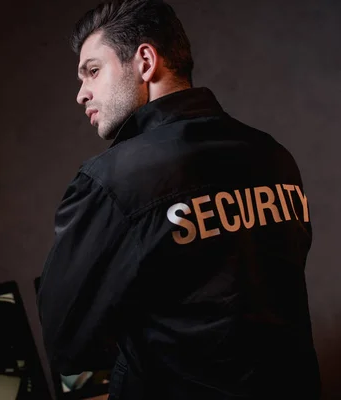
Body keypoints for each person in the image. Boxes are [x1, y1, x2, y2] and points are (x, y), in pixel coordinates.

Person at [36, 0, 321, 398]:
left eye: (93, 71)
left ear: (146, 61)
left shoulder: (112, 181)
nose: (82, 94)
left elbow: (69, 343)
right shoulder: (274, 156)